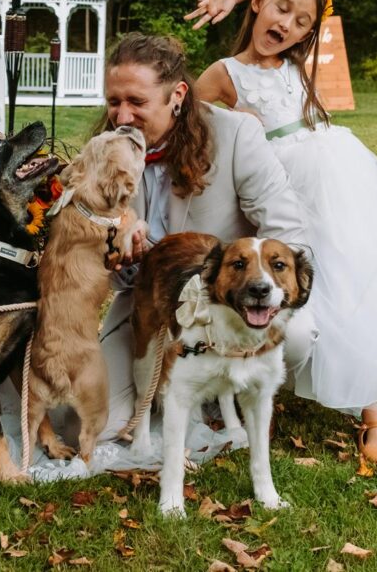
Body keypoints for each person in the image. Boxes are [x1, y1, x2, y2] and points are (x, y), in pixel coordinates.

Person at [191, 0, 377, 466]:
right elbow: (185, 116)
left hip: (335, 176)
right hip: (280, 188)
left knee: (350, 279)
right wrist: (232, 116)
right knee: (287, 284)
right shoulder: (225, 73)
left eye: (304, 22)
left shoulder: (295, 68)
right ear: (260, 3)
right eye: (282, 8)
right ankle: (260, 394)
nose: (289, 25)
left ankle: (372, 413)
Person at [95, 32, 313, 444]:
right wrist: (120, 258)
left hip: (227, 303)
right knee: (97, 423)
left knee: (296, 337)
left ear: (177, 95)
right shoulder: (105, 151)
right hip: (149, 306)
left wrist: (236, 283)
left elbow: (288, 234)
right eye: (113, 102)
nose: (122, 116)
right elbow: (109, 272)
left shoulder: (235, 136)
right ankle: (180, 387)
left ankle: (227, 386)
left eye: (137, 102)